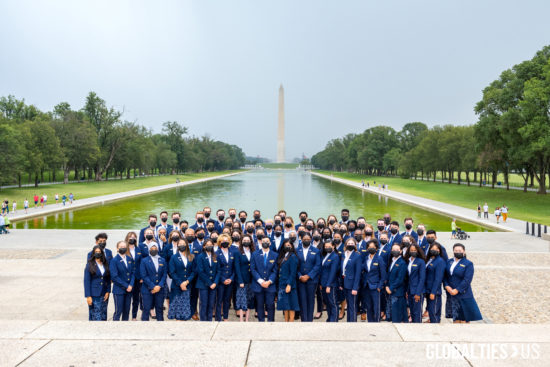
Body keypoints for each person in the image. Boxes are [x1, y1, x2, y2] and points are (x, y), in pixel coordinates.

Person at [444, 244, 482, 323]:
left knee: (464, 319)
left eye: (460, 251)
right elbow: (445, 276)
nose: (458, 252)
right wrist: (446, 286)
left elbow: (467, 280)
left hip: (463, 294)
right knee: (455, 319)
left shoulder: (468, 263)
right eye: (456, 251)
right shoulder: (449, 261)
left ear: (464, 251)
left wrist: (457, 290)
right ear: (453, 251)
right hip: (451, 294)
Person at [250, 236, 278, 322]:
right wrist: (261, 281)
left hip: (270, 285)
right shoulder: (255, 254)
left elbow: (275, 270)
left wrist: (269, 281)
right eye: (263, 241)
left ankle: (271, 322)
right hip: (258, 285)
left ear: (270, 243)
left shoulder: (275, 255)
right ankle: (261, 322)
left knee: (270, 304)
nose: (265, 243)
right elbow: (253, 269)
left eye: (267, 241)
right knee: (260, 305)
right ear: (261, 243)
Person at [167, 238, 196, 321]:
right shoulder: (173, 257)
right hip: (177, 286)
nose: (181, 245)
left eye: (183, 243)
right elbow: (172, 272)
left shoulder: (191, 256)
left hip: (188, 285)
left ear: (186, 245)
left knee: (186, 305)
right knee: (177, 307)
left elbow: (194, 271)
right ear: (177, 245)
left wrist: (186, 282)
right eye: (180, 244)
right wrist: (180, 283)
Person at [296, 232, 321, 322]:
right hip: (300, 280)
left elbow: (318, 265)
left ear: (311, 239)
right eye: (304, 239)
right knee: (302, 300)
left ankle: (309, 320)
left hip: (311, 280)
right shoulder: (296, 250)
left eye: (308, 239)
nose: (306, 240)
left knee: (311, 300)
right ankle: (304, 320)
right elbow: (295, 265)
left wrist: (309, 276)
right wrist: (300, 276)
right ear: (301, 240)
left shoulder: (316, 250)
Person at [140, 243, 167, 321]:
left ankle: (160, 327)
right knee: (146, 309)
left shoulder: (162, 260)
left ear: (158, 249)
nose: (154, 250)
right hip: (147, 289)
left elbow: (164, 274)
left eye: (155, 248)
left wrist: (159, 286)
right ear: (149, 249)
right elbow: (144, 275)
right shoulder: (144, 261)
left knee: (159, 309)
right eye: (152, 248)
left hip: (160, 289)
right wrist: (153, 286)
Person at [83, 245, 111, 321]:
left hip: (104, 293)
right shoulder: (89, 265)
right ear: (93, 253)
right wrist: (88, 296)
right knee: (96, 314)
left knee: (103, 314)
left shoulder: (105, 264)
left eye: (99, 252)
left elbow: (108, 278)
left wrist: (108, 291)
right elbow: (86, 281)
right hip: (94, 294)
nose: (98, 253)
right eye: (96, 252)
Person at [110, 240, 135, 321]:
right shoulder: (114, 260)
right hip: (119, 290)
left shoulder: (129, 259)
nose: (123, 248)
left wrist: (131, 285)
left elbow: (133, 273)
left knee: (126, 311)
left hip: (129, 290)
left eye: (124, 247)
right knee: (118, 311)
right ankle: (115, 327)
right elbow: (114, 277)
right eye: (121, 247)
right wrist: (126, 285)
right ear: (117, 249)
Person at [362, 239, 386, 322]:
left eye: (373, 247)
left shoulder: (379, 259)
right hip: (366, 286)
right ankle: (370, 322)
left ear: (376, 248)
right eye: (369, 247)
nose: (371, 248)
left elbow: (383, 275)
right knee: (368, 306)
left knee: (376, 306)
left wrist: (380, 286)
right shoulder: (365, 258)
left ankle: (376, 322)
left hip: (376, 287)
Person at [339, 238, 362, 322]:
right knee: (347, 305)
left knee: (352, 306)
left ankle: (352, 323)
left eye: (352, 243)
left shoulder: (357, 256)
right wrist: (341, 284)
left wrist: (355, 288)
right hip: (344, 284)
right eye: (349, 243)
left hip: (352, 285)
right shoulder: (343, 255)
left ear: (355, 245)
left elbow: (358, 273)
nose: (350, 245)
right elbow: (342, 270)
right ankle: (348, 322)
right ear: (345, 244)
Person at [195, 239, 219, 321]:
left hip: (214, 284)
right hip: (203, 284)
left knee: (211, 304)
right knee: (204, 304)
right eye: (207, 245)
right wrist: (210, 283)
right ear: (204, 246)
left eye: (211, 244)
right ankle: (203, 321)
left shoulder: (215, 256)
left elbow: (219, 271)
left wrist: (215, 282)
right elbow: (200, 272)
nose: (209, 246)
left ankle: (209, 320)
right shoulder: (200, 257)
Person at [215, 234, 237, 321]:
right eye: (223, 241)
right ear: (220, 242)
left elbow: (234, 268)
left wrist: (231, 278)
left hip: (230, 280)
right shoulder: (216, 253)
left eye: (226, 241)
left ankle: (226, 317)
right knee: (219, 300)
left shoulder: (232, 252)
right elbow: (217, 269)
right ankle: (218, 318)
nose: (225, 242)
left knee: (227, 300)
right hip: (221, 281)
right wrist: (223, 279)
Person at [277, 239, 300, 321]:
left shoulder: (293, 256)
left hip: (289, 285)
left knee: (291, 305)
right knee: (285, 305)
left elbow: (293, 273)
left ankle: (291, 322)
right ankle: (286, 322)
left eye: (289, 245)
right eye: (286, 245)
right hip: (282, 284)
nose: (287, 247)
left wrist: (289, 284)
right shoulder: (283, 256)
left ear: (292, 246)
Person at [235, 234, 255, 322]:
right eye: (244, 240)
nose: (246, 242)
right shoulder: (238, 252)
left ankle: (247, 319)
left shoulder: (253, 251)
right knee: (241, 299)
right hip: (242, 280)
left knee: (249, 300)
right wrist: (240, 281)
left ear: (250, 241)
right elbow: (237, 268)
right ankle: (241, 319)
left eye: (248, 240)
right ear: (241, 241)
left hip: (251, 280)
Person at [424, 242, 446, 323]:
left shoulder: (440, 261)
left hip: (434, 291)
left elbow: (438, 279)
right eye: (432, 249)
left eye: (436, 249)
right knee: (430, 310)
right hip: (428, 289)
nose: (434, 251)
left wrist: (433, 292)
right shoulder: (429, 259)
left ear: (439, 251)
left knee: (434, 312)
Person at [404, 242, 426, 323]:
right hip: (410, 291)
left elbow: (422, 278)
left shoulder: (421, 262)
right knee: (412, 312)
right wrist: (407, 290)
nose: (413, 251)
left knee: (417, 313)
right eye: (411, 250)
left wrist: (418, 293)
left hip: (417, 291)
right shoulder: (408, 261)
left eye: (414, 250)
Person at [386, 243, 407, 323]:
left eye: (397, 250)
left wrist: (391, 288)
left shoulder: (402, 263)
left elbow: (400, 279)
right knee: (392, 314)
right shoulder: (392, 261)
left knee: (397, 316)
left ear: (401, 251)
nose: (395, 251)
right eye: (393, 250)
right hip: (390, 291)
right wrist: (387, 286)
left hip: (397, 292)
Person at [319, 239, 339, 322]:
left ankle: (333, 320)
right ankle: (329, 318)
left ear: (333, 246)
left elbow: (333, 272)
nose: (327, 248)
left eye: (329, 246)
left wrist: (328, 285)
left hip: (331, 284)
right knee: (327, 303)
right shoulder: (325, 255)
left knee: (333, 303)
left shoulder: (335, 256)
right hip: (323, 283)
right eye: (325, 247)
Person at [125, 231, 142, 321]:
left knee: (136, 299)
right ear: (127, 238)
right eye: (130, 237)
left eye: (134, 237)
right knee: (127, 299)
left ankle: (134, 316)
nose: (132, 238)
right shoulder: (124, 249)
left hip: (138, 278)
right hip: (127, 279)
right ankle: (126, 316)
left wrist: (142, 277)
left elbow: (141, 264)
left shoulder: (138, 249)